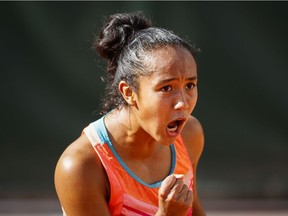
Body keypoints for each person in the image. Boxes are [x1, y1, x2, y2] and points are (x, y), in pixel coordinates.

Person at [54, 12, 206, 216]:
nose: (182, 103)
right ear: (129, 93)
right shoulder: (80, 167)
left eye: (190, 85)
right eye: (166, 88)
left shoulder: (190, 135)